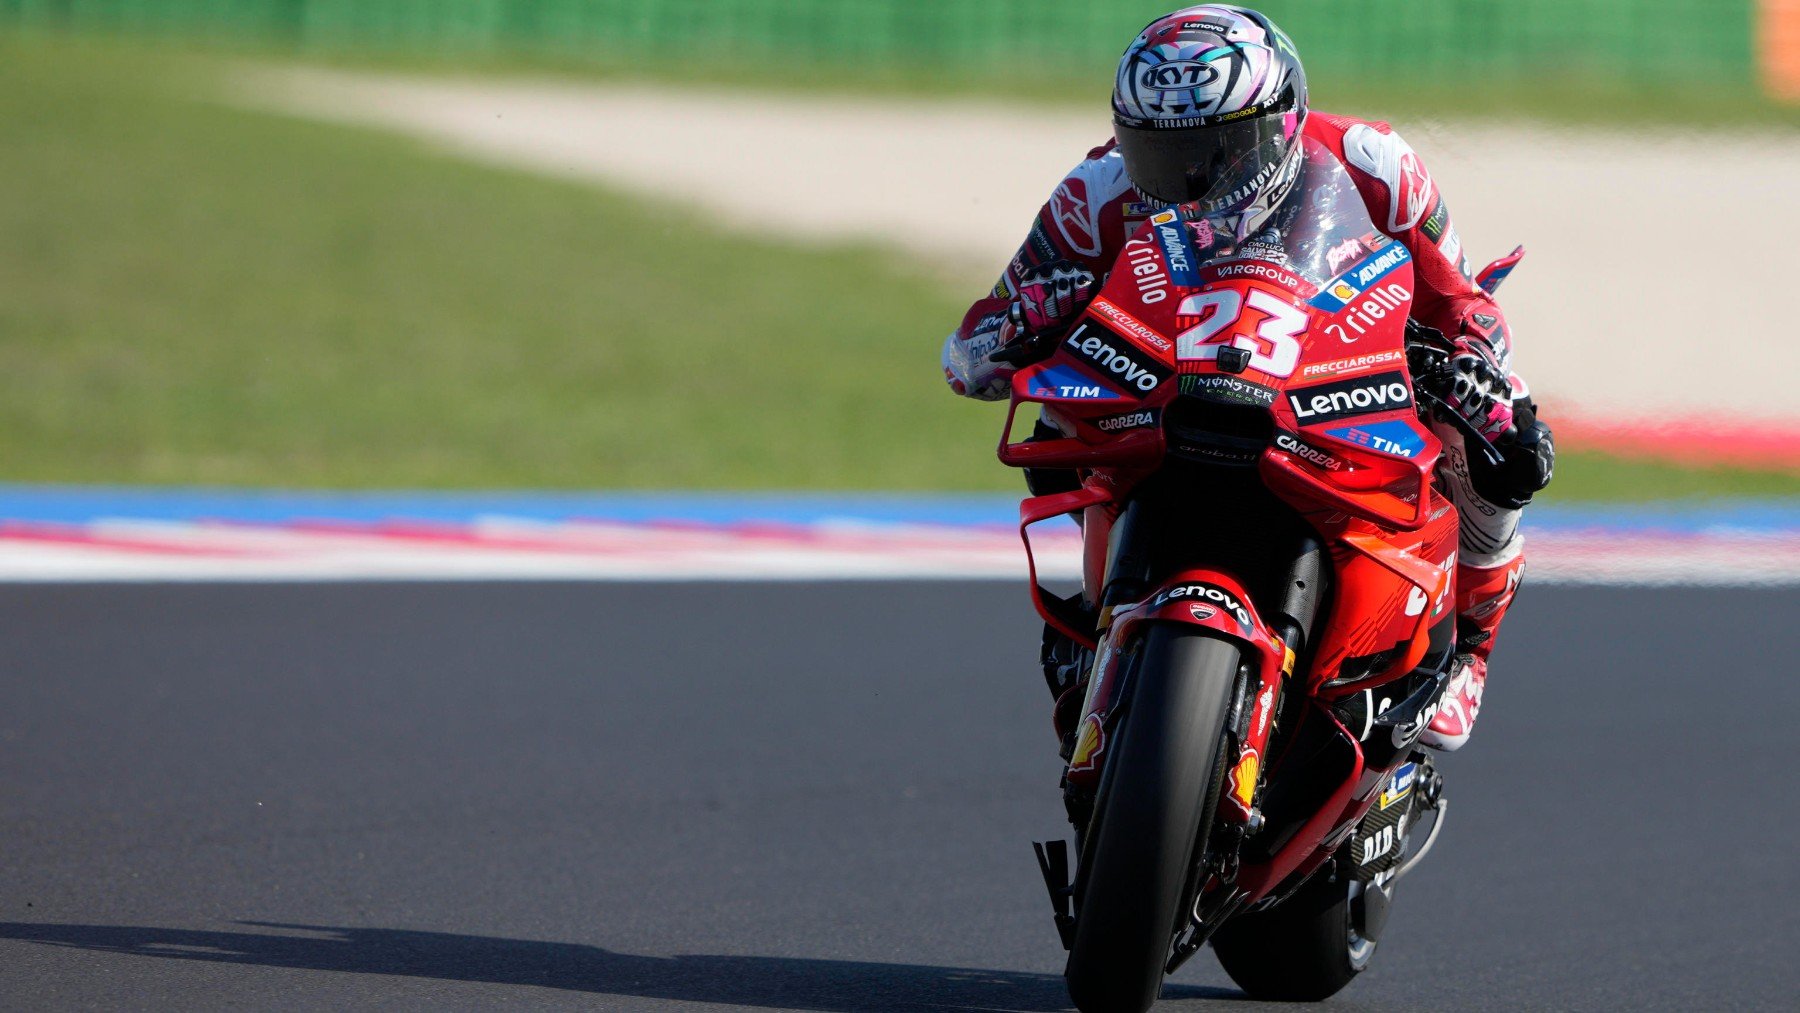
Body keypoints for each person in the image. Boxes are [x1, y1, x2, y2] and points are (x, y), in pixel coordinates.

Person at [940, 4, 1554, 751]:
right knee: (1057, 418)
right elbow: (971, 349)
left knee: (1502, 446)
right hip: (1171, 390)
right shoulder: (1098, 190)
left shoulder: (1375, 165)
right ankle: (1107, 607)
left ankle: (1471, 647)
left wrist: (1474, 375)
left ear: (1280, 122)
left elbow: (1465, 305)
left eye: (1219, 152)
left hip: (1332, 381)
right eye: (1161, 156)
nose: (1188, 180)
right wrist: (1021, 325)